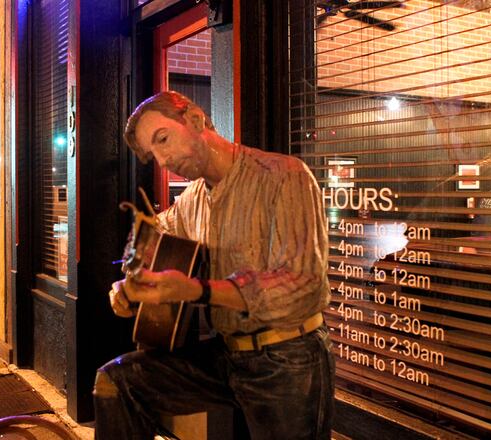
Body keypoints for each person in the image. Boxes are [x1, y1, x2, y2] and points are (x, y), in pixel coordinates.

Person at [93, 91, 334, 440]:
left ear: (194, 119)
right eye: (153, 154)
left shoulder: (284, 175)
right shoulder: (191, 199)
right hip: (227, 352)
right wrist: (131, 279)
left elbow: (303, 283)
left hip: (290, 357)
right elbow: (153, 232)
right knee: (118, 381)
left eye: (163, 139)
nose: (162, 160)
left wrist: (197, 290)